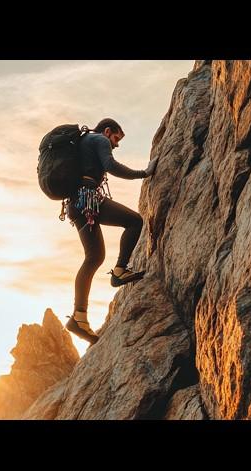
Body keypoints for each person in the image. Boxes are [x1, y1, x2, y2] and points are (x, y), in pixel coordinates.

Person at [64, 118, 158, 345]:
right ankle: (120, 271)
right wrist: (143, 173)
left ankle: (79, 317)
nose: (115, 144)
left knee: (94, 258)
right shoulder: (99, 139)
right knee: (135, 221)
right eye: (116, 139)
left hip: (75, 203)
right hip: (88, 199)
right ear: (108, 131)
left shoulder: (84, 140)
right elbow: (110, 165)